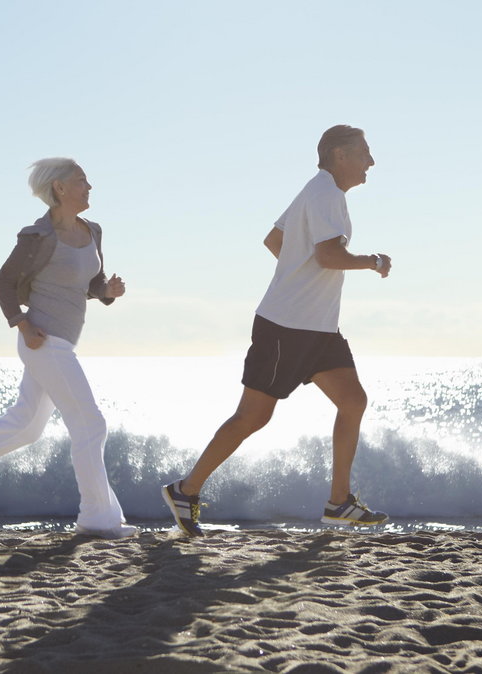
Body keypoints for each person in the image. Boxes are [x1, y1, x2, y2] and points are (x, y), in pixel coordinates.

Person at [162, 125, 390, 537]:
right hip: (287, 327)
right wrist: (372, 262)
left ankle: (339, 501)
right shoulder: (325, 194)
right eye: (364, 153)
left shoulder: (318, 192)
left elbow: (275, 240)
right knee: (253, 416)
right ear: (339, 155)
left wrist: (295, 273)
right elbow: (327, 255)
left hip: (318, 329)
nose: (370, 162)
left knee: (353, 401)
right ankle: (185, 489)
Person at [0, 158, 137, 539]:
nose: (90, 187)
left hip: (61, 344)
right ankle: (97, 519)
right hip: (44, 343)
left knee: (25, 427)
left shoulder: (93, 231)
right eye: (82, 181)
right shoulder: (37, 237)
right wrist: (22, 323)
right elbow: (3, 283)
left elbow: (88, 282)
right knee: (90, 423)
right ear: (59, 188)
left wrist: (107, 291)